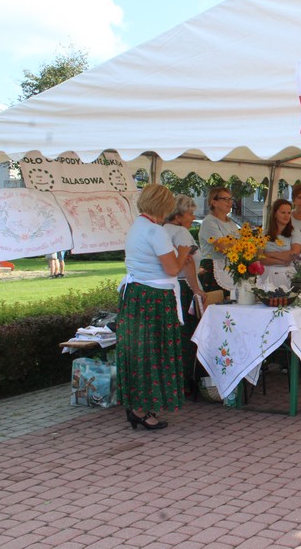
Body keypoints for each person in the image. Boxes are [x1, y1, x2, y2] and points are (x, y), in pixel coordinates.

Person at [117, 184, 193, 430]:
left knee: (140, 352)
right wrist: (183, 252)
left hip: (137, 294)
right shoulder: (156, 232)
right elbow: (172, 269)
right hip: (154, 298)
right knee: (153, 353)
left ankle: (138, 404)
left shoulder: (137, 226)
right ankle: (141, 410)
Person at [163, 194, 207, 388]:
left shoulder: (161, 230)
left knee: (173, 337)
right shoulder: (181, 233)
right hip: (184, 288)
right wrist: (196, 288)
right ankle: (187, 381)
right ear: (178, 216)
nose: (192, 217)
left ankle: (173, 380)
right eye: (190, 214)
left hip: (169, 287)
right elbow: (188, 263)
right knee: (188, 337)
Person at [198, 186, 239, 293]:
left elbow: (241, 246)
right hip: (213, 268)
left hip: (230, 268)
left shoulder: (231, 223)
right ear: (214, 202)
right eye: (225, 199)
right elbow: (223, 247)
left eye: (231, 199)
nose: (230, 202)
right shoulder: (209, 222)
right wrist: (238, 246)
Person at [258, 199, 301, 287]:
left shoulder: (295, 232)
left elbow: (294, 254)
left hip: (286, 275)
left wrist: (269, 254)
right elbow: (260, 258)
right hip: (266, 275)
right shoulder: (263, 234)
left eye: (289, 213)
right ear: (275, 214)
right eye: (283, 212)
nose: (286, 216)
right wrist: (282, 261)